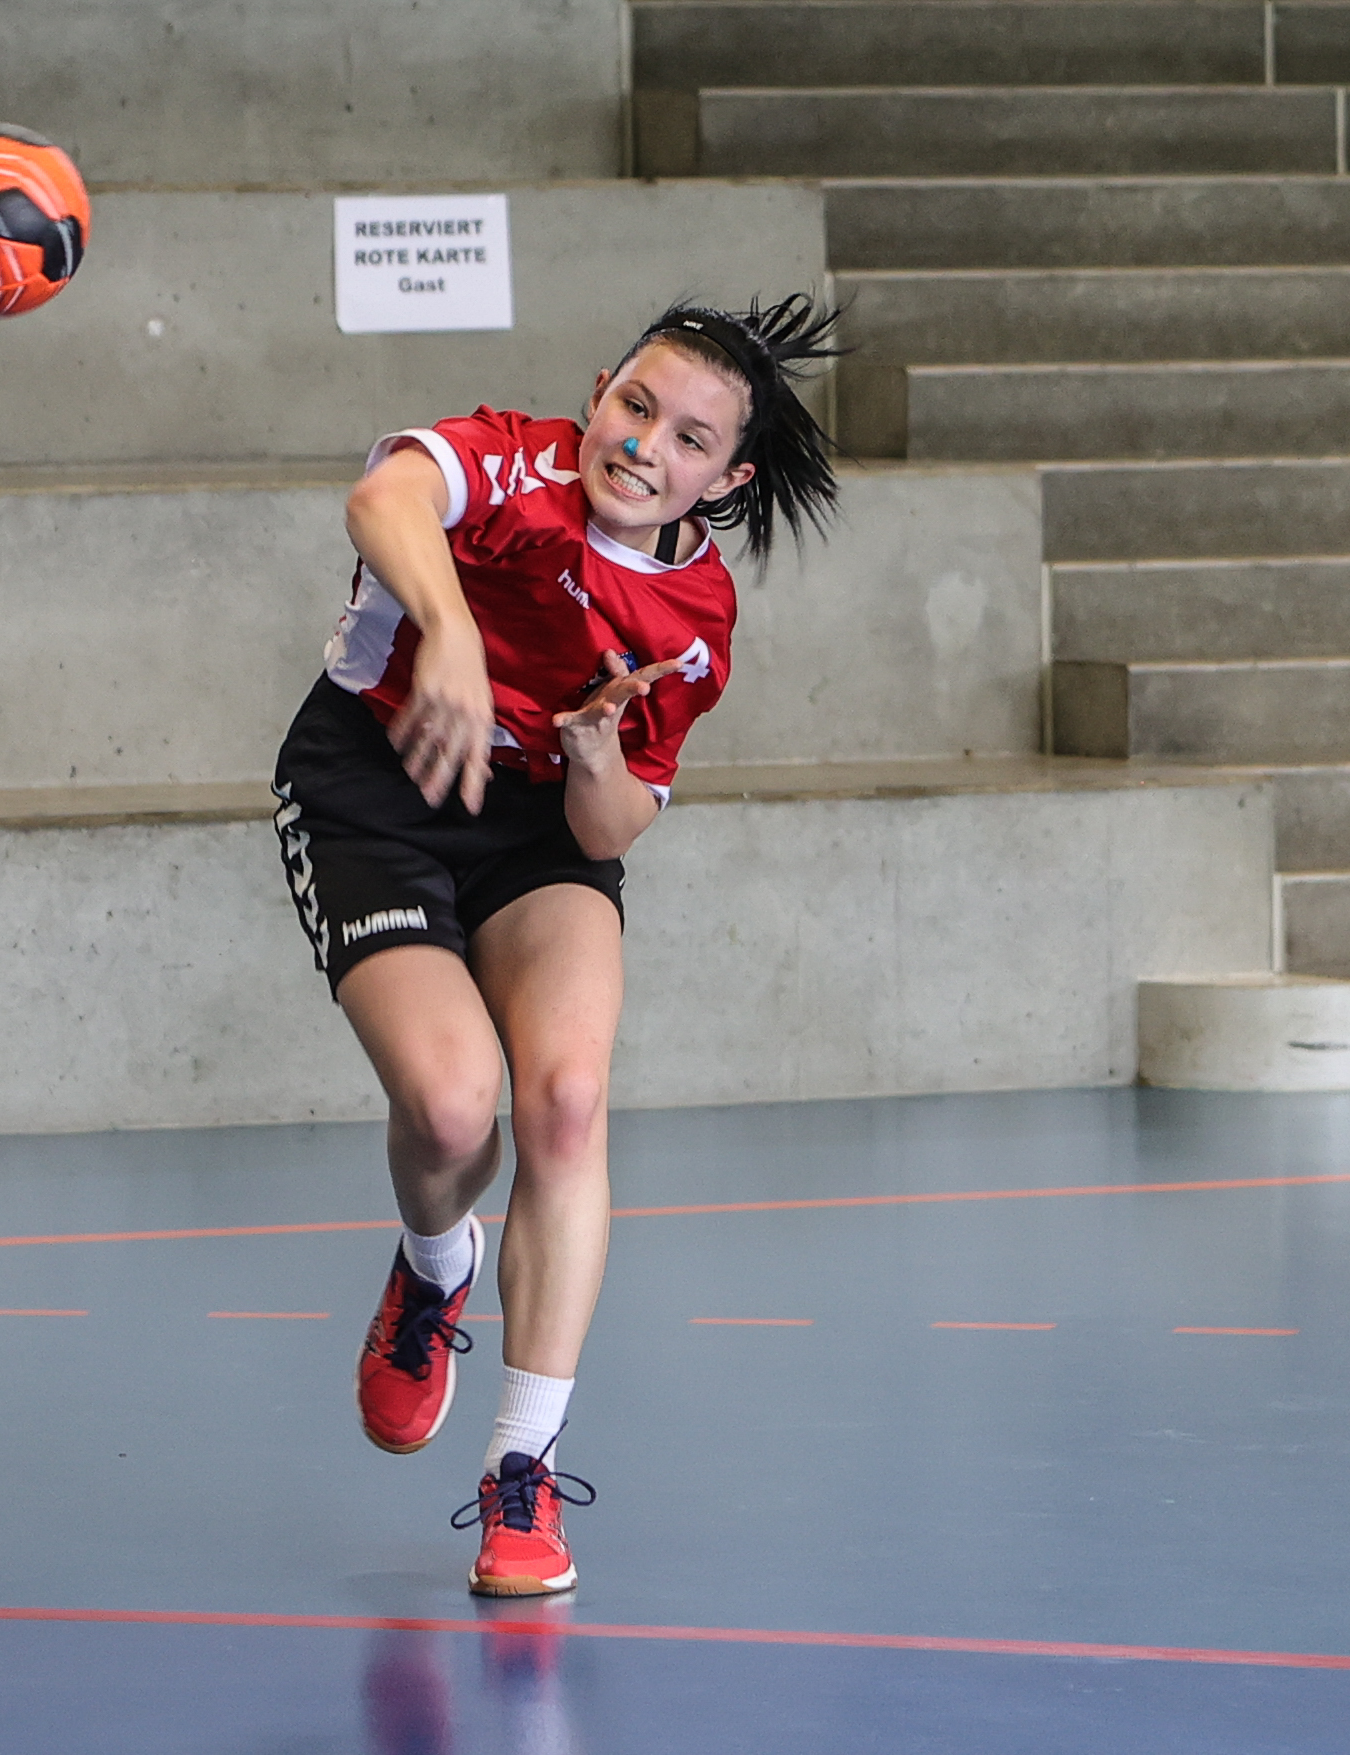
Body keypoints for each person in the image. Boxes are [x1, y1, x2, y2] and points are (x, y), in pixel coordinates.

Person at [270, 296, 843, 1596]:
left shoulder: (693, 619)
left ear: (727, 478)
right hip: (375, 787)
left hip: (539, 829)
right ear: (597, 393)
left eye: (690, 438)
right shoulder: (507, 464)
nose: (644, 444)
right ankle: (435, 1267)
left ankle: (520, 1472)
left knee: (568, 1102)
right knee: (450, 1107)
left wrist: (593, 755)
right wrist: (452, 631)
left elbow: (615, 826)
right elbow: (383, 501)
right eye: (635, 405)